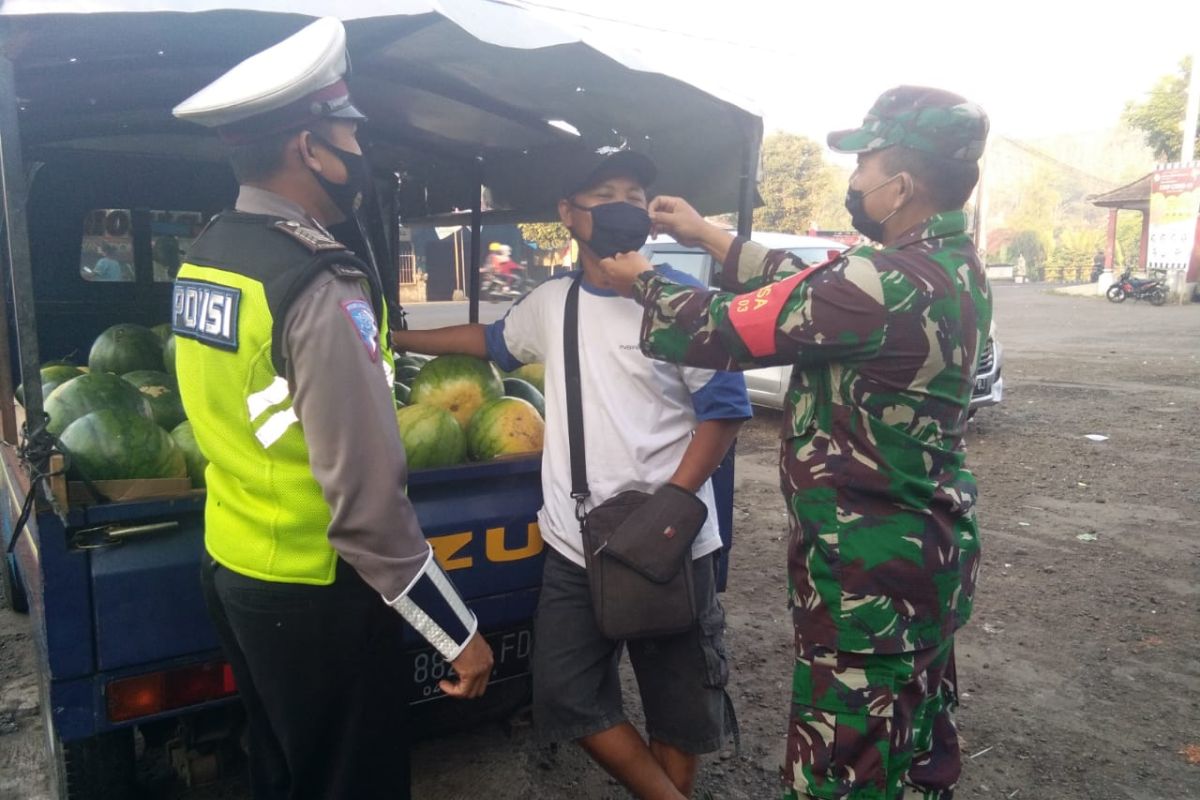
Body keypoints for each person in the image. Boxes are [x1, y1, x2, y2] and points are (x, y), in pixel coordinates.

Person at [599, 86, 992, 800]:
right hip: (924, 564)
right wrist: (710, 236)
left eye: (864, 165)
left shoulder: (879, 281)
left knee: (840, 774)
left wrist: (644, 281)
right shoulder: (952, 266)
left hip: (866, 586)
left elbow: (724, 328)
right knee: (913, 758)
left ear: (899, 186)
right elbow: (815, 290)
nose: (854, 181)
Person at [170, 18, 492, 800]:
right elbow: (367, 502)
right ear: (307, 148)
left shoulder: (208, 254)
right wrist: (458, 632)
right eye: (349, 133)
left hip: (237, 566)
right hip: (318, 593)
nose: (360, 152)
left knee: (286, 771)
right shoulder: (315, 282)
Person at [391, 149, 750, 800]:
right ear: (567, 213)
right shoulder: (551, 303)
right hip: (573, 544)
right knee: (566, 693)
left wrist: (673, 503)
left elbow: (723, 412)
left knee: (678, 706)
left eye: (635, 193)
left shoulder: (683, 302)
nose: (622, 204)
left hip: (667, 541)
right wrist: (399, 339)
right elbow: (490, 342)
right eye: (604, 192)